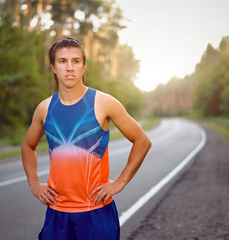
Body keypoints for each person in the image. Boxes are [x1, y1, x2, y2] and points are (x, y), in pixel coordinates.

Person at [21, 37, 151, 240]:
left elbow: (142, 141)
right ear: (54, 67)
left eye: (76, 61)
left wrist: (120, 182)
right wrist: (34, 183)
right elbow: (28, 147)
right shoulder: (44, 108)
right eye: (62, 61)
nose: (69, 67)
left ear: (84, 66)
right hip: (57, 213)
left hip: (95, 212)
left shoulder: (104, 103)